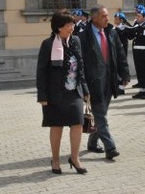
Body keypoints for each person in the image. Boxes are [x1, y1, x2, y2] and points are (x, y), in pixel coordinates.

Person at [36, 10, 89, 174]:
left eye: (73, 24)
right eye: (68, 25)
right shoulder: (48, 44)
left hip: (74, 91)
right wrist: (42, 95)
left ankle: (75, 158)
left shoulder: (76, 41)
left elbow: (80, 67)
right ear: (59, 27)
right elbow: (41, 71)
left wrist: (85, 89)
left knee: (78, 124)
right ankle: (56, 160)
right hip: (54, 93)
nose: (72, 28)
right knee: (57, 126)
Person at [78, 5, 130, 160]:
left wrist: (124, 73)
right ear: (94, 18)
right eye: (103, 16)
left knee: (100, 113)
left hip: (109, 79)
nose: (107, 19)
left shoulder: (111, 32)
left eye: (107, 15)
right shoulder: (83, 36)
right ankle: (110, 147)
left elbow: (120, 54)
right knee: (100, 114)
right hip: (92, 81)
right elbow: (80, 62)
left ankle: (92, 143)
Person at [126, 8, 145, 99]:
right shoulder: (137, 26)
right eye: (137, 16)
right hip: (137, 52)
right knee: (139, 71)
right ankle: (142, 90)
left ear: (144, 17)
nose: (137, 17)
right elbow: (130, 37)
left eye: (139, 16)